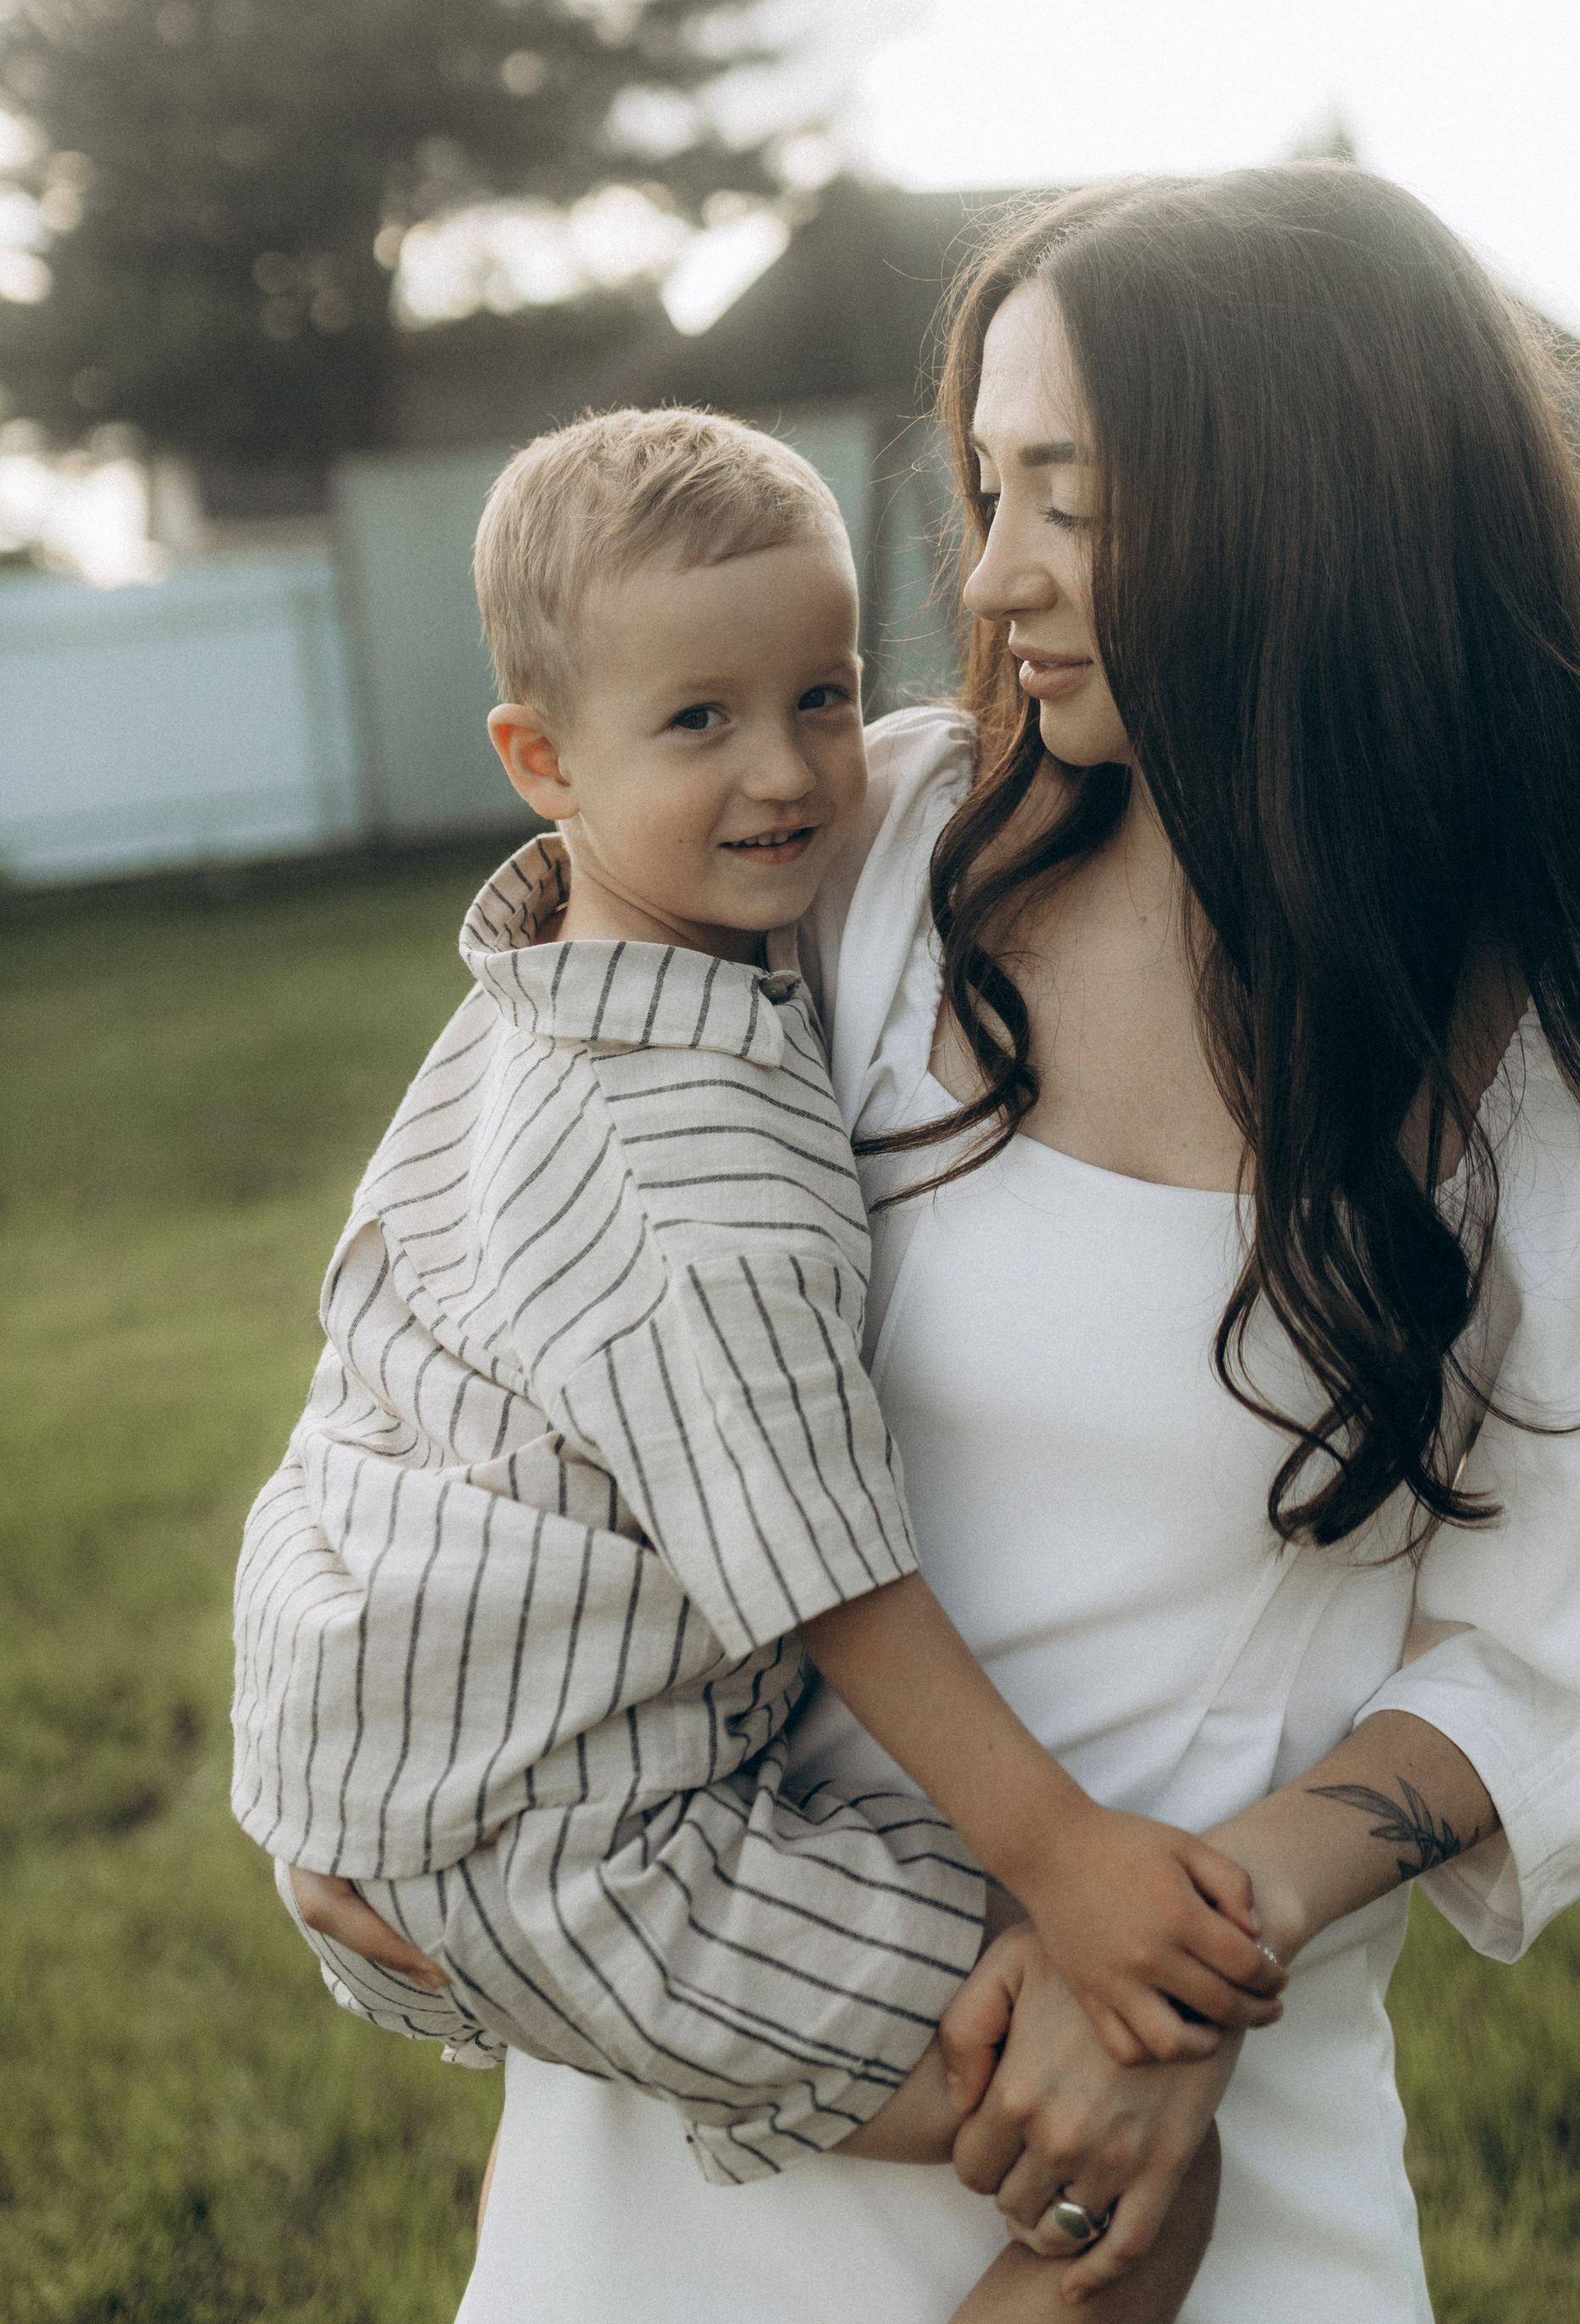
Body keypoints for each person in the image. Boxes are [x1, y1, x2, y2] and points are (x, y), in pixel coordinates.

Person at [307, 168, 1580, 2321]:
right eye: (983, 482)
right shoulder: (850, 857)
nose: (998, 569)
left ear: (1302, 513)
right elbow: (477, 1294)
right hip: (710, 2092)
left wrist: (1186, 1965)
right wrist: (357, 1758)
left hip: (1181, 2123)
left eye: (1071, 493)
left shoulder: (1549, 1063)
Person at [235, 405, 1283, 2324]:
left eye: (822, 691)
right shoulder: (685, 1155)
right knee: (1134, 2118)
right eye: (698, 723)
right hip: (569, 1848)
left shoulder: (554, 973)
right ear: (539, 759)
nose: (795, 773)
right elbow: (818, 1568)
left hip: (418, 1760)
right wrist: (1063, 1858)